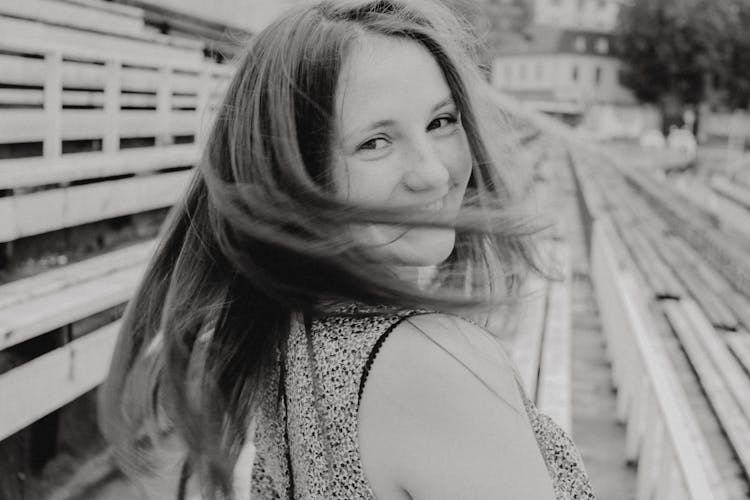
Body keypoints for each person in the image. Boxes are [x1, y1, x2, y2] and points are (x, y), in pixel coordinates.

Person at [98, 1, 595, 499]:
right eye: (375, 142)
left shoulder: (290, 331)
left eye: (441, 121)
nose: (434, 174)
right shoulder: (438, 364)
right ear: (296, 173)